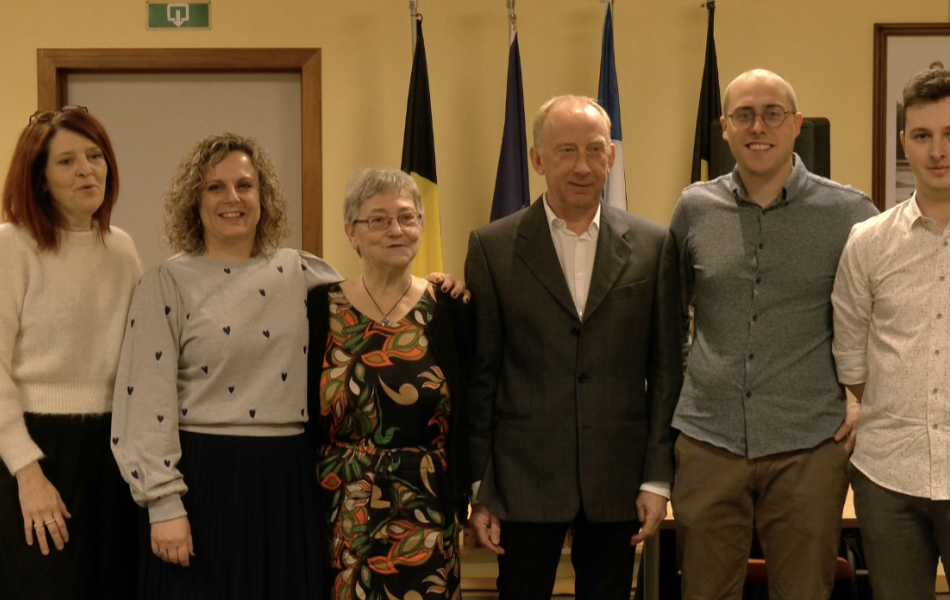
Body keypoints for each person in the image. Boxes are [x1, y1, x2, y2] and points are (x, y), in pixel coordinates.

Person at [668, 69, 878, 599]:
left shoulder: (850, 213)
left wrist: (862, 400)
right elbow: (667, 317)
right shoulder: (694, 208)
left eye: (772, 114)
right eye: (744, 114)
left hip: (808, 444)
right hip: (708, 439)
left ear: (796, 124)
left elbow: (887, 318)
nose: (758, 126)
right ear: (724, 127)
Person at [464, 94, 682, 600]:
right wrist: (481, 487)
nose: (582, 166)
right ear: (538, 159)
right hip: (523, 480)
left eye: (595, 150)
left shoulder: (654, 246)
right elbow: (482, 376)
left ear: (611, 157)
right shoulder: (492, 247)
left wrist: (657, 479)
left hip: (619, 479)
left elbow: (667, 370)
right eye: (565, 151)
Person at [111, 133, 342, 600]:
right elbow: (145, 398)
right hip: (199, 481)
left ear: (264, 196)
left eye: (244, 185)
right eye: (215, 187)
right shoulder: (166, 283)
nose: (231, 198)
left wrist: (436, 285)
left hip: (285, 482)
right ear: (194, 201)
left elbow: (377, 301)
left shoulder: (303, 273)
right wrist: (163, 503)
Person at [832, 69, 950, 600]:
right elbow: (850, 350)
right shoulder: (867, 242)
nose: (936, 151)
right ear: (904, 143)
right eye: (921, 136)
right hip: (888, 476)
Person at [306, 168, 473, 599]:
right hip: (341, 510)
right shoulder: (318, 307)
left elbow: (474, 410)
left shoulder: (451, 308)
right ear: (351, 233)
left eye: (407, 217)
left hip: (427, 510)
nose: (395, 230)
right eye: (377, 219)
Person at [0, 106, 141, 599]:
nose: (87, 169)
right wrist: (27, 473)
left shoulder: (122, 249)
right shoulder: (11, 248)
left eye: (95, 155)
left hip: (111, 451)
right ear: (39, 180)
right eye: (66, 162)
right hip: (33, 451)